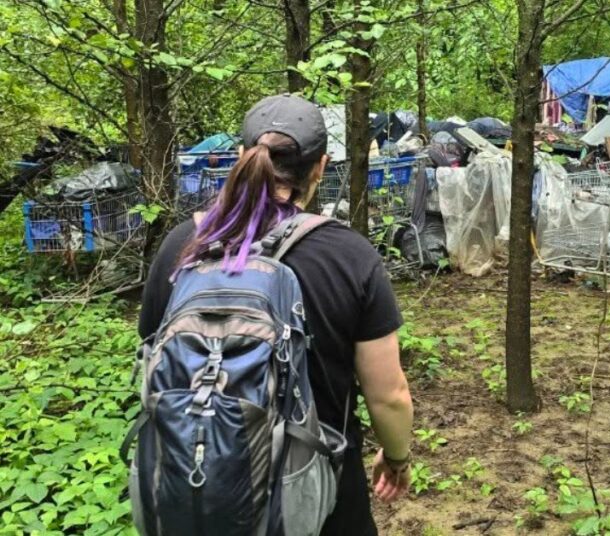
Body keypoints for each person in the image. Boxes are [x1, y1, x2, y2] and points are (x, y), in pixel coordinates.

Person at [139, 94, 414, 535]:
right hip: (314, 501)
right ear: (320, 167)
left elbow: (152, 364)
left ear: (242, 158)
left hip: (195, 495)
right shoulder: (349, 256)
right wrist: (397, 457)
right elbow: (389, 395)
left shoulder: (180, 248)